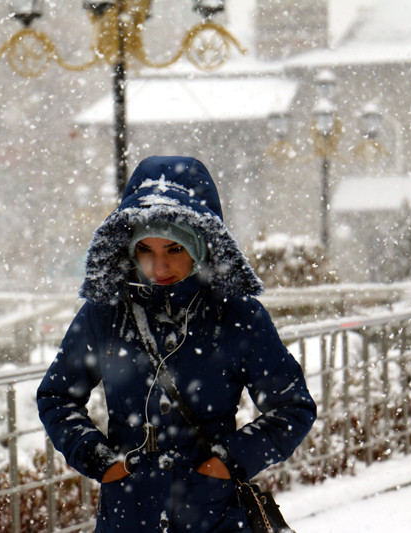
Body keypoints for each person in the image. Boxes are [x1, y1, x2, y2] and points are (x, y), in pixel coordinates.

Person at [37, 156, 316, 532]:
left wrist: (227, 462)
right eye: (145, 251)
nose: (159, 267)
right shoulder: (104, 314)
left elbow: (292, 407)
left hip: (213, 514)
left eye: (174, 249)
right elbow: (57, 397)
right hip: (129, 513)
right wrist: (100, 460)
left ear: (200, 245)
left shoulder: (238, 316)